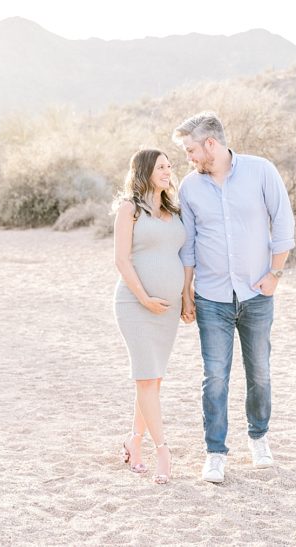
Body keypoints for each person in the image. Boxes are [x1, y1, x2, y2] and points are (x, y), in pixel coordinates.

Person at [174, 112, 295, 483]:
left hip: (256, 294)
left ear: (211, 144)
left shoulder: (261, 171)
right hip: (211, 297)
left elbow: (284, 222)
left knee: (259, 371)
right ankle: (215, 453)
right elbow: (189, 245)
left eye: (191, 150)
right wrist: (186, 292)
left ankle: (259, 438)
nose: (189, 158)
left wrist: (275, 274)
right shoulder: (189, 187)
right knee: (215, 376)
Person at [112, 148, 187, 485]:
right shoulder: (130, 209)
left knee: (153, 380)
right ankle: (163, 450)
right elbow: (122, 260)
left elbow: (183, 255)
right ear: (143, 170)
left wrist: (185, 297)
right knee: (145, 378)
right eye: (160, 167)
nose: (168, 171)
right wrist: (145, 299)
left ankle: (134, 441)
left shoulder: (173, 209)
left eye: (170, 166)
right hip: (135, 306)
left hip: (166, 312)